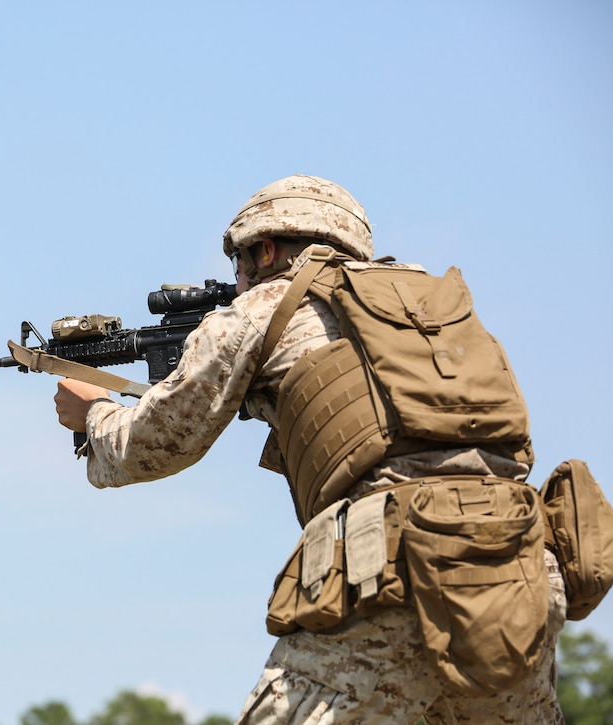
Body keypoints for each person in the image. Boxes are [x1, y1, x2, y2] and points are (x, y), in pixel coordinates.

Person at [52, 174, 566, 724]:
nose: (237, 283)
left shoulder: (262, 307)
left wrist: (94, 415)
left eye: (239, 268)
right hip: (517, 565)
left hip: (388, 569)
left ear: (265, 250)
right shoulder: (431, 312)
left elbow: (152, 446)